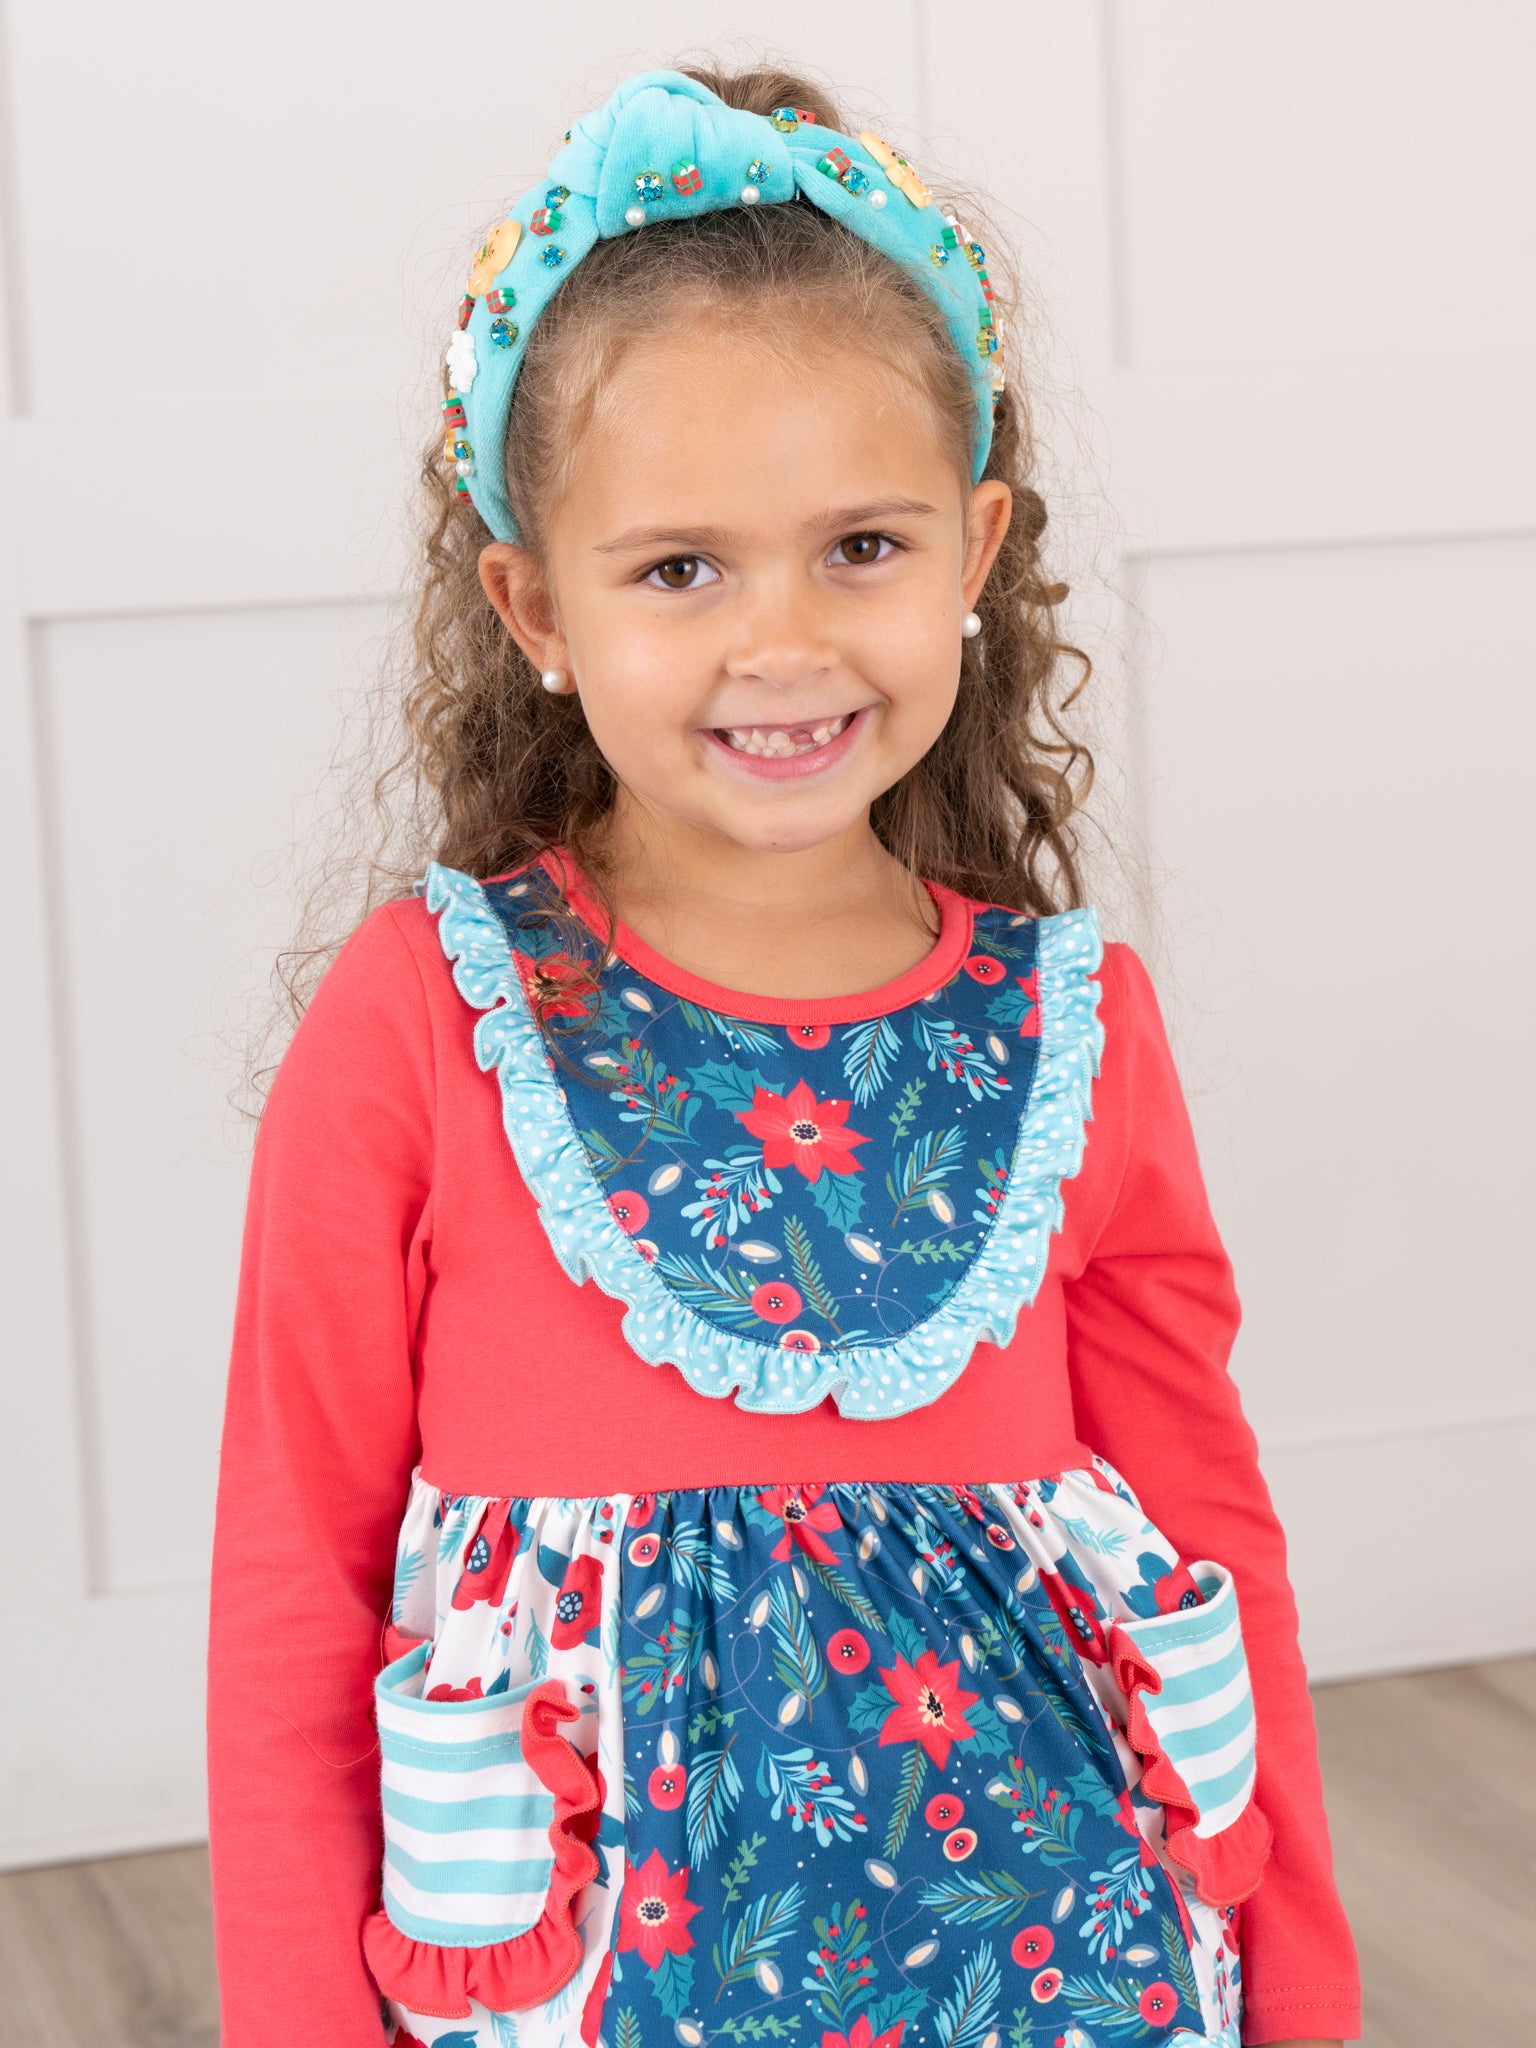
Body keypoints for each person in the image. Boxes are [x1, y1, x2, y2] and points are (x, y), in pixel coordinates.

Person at [205, 61, 1361, 2048]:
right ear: (535, 605)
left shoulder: (1076, 1023)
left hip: (1059, 1963)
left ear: (974, 549)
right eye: (681, 568)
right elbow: (290, 1584)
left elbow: (1209, 1530)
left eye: (862, 547)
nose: (785, 643)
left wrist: (1306, 1981)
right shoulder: (424, 1018)